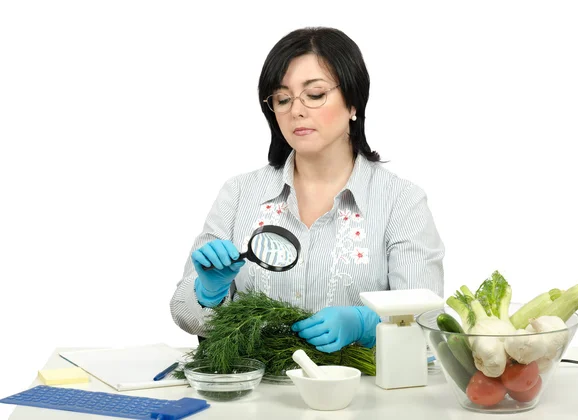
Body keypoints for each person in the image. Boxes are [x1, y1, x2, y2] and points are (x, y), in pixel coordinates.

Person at [170, 27, 444, 353]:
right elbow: (184, 314)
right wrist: (207, 291)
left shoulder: (401, 202)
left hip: (362, 397)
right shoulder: (240, 193)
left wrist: (366, 323)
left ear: (353, 102)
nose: (296, 110)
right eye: (283, 99)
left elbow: (426, 322)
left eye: (314, 95)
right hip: (254, 394)